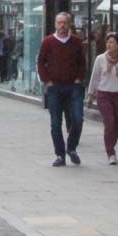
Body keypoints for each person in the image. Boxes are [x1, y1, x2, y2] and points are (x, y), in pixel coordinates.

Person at [37, 12, 88, 167]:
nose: (62, 26)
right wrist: (47, 81)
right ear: (55, 24)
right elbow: (41, 62)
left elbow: (82, 63)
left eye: (65, 22)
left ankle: (71, 147)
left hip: (73, 87)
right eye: (59, 22)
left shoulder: (76, 42)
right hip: (55, 87)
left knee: (77, 118)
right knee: (55, 123)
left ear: (70, 24)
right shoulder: (48, 42)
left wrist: (79, 79)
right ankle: (60, 154)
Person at [86, 33, 118, 165]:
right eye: (107, 42)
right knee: (109, 123)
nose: (108, 45)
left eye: (112, 42)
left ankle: (111, 144)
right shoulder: (100, 59)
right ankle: (110, 152)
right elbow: (94, 77)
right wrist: (91, 94)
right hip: (104, 95)